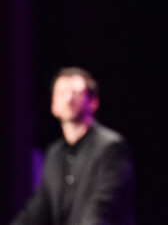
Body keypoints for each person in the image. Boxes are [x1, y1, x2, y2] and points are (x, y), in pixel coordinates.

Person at [11, 67, 135, 225]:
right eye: (62, 93)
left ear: (93, 102)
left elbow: (100, 211)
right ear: (53, 106)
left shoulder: (110, 148)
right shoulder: (54, 154)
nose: (69, 98)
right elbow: (37, 210)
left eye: (75, 92)